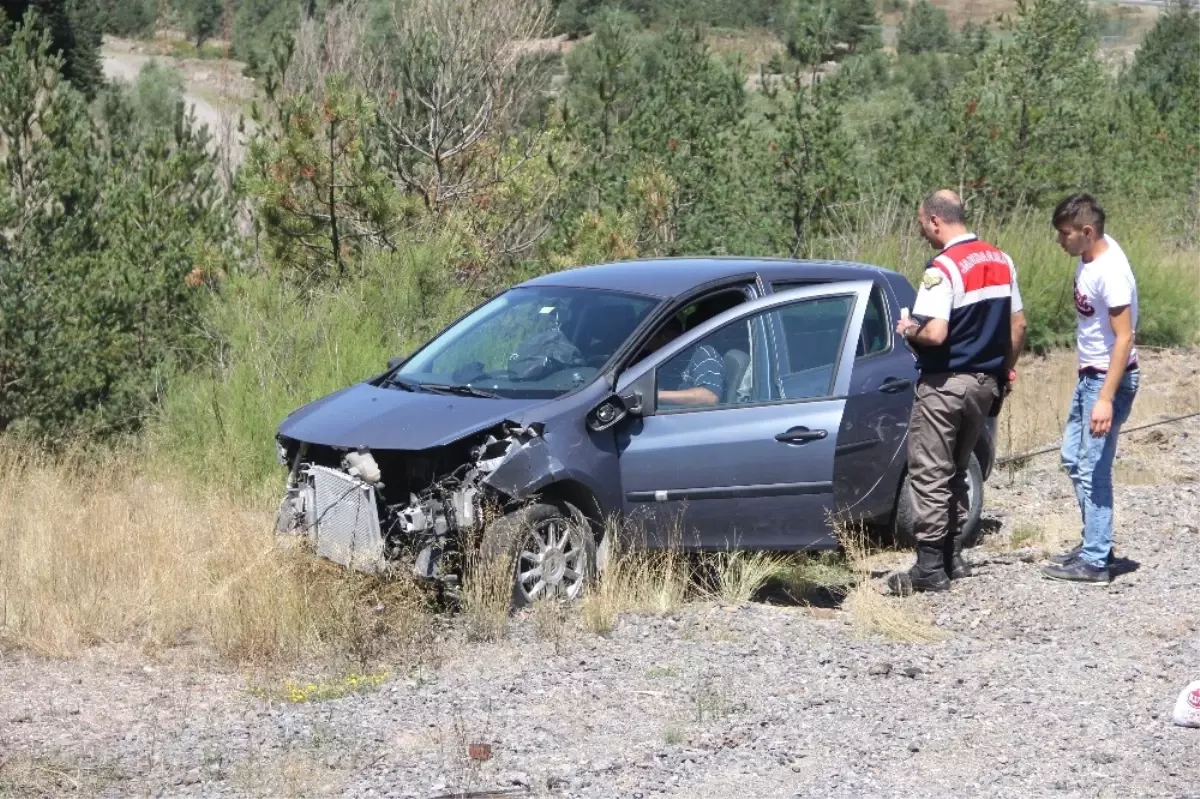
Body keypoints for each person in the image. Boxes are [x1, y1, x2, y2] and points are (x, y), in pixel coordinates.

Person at [888, 189, 1027, 594]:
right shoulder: (1001, 260)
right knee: (959, 469)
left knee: (930, 472)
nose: (921, 231)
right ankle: (953, 555)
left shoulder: (942, 267)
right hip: (985, 383)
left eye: (921, 223)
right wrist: (1004, 372)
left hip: (945, 384)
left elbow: (935, 332)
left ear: (935, 221)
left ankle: (929, 568)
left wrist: (908, 329)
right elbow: (1017, 327)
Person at [1040, 193, 1139, 585]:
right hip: (1090, 376)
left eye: (1064, 234)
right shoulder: (1091, 254)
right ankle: (1096, 542)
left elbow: (1124, 337)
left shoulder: (1110, 272)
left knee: (1094, 468)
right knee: (1072, 457)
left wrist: (1104, 399)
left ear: (1087, 231)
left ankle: (1097, 561)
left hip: (1108, 381)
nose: (1059, 241)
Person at [637, 316, 725, 407]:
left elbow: (709, 397)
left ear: (667, 337)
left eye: (648, 340)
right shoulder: (655, 358)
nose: (646, 346)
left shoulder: (703, 355)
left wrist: (654, 395)